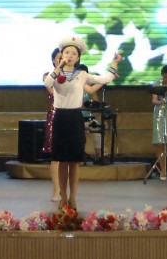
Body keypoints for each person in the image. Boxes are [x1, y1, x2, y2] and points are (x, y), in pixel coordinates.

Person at [44, 36, 123, 211]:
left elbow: (105, 79)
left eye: (73, 53)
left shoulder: (82, 75)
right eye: (66, 53)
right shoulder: (55, 74)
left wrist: (115, 62)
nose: (69, 56)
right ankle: (63, 197)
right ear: (60, 56)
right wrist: (59, 68)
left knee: (74, 162)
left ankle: (73, 198)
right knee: (62, 161)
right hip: (60, 118)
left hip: (75, 118)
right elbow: (48, 83)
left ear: (78, 58)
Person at [42, 48, 62, 201]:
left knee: (68, 158)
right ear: (53, 60)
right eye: (58, 58)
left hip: (69, 116)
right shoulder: (48, 76)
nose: (62, 60)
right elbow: (54, 93)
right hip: (55, 117)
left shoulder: (74, 77)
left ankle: (66, 191)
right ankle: (56, 190)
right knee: (55, 157)